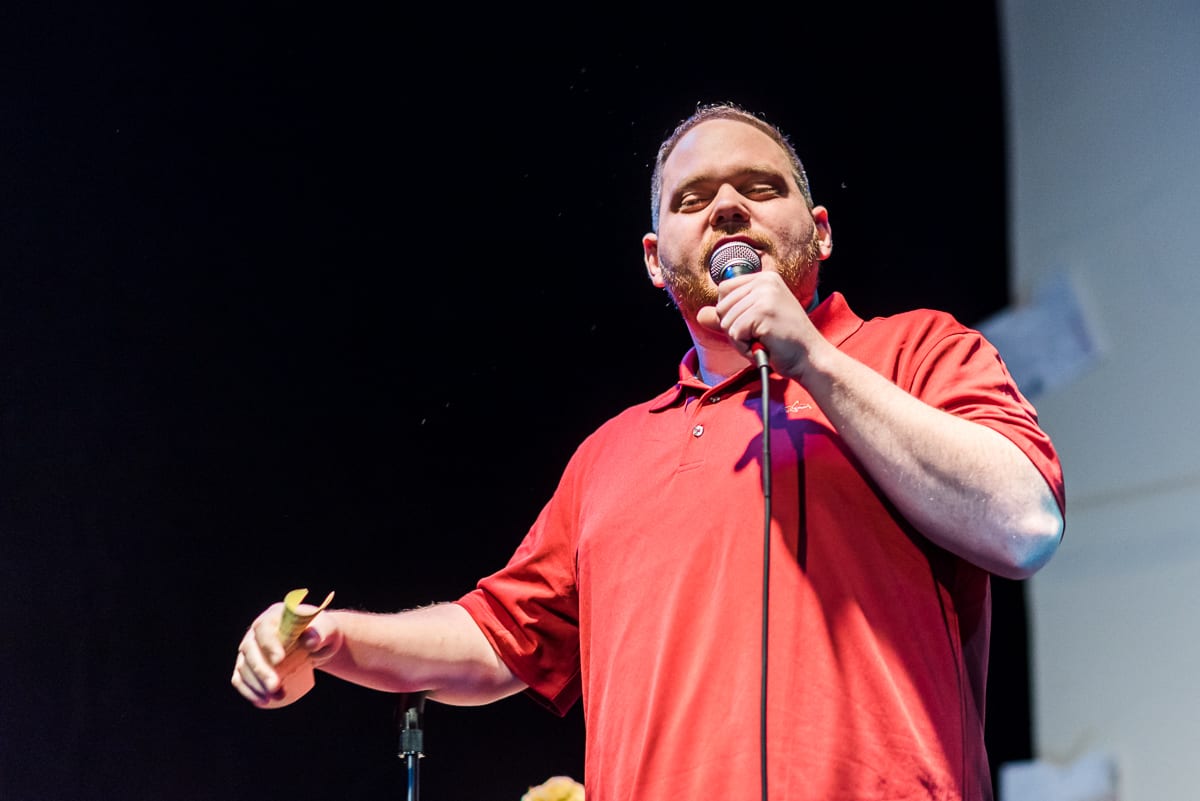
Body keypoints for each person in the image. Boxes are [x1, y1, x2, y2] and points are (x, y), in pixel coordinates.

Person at [232, 101, 1066, 800]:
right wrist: (331, 639)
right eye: (692, 198)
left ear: (820, 233)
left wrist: (813, 357)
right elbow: (498, 638)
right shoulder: (610, 455)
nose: (727, 207)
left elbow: (1023, 522)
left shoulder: (917, 351)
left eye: (760, 187)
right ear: (654, 261)